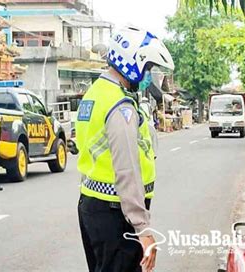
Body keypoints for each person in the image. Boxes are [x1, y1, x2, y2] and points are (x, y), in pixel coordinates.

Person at [76, 26, 174, 272]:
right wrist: (143, 228)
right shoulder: (121, 107)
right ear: (132, 63)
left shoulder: (95, 94)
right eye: (147, 68)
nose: (147, 75)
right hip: (116, 213)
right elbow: (127, 169)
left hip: (93, 206)